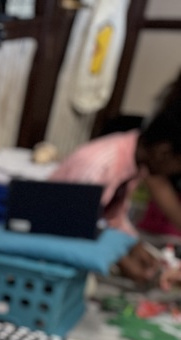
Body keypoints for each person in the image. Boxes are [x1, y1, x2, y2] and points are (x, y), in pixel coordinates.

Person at [48, 68, 181, 288]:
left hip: (78, 236)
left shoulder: (134, 160)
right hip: (53, 247)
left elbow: (112, 215)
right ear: (164, 152)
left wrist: (132, 244)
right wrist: (121, 258)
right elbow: (77, 224)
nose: (174, 174)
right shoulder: (100, 165)